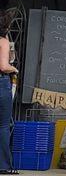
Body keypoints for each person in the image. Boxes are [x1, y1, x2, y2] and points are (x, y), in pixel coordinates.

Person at [0, 10, 17, 175]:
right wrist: (14, 69)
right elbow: (4, 66)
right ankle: (3, 165)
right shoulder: (3, 41)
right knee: (4, 125)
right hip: (1, 82)